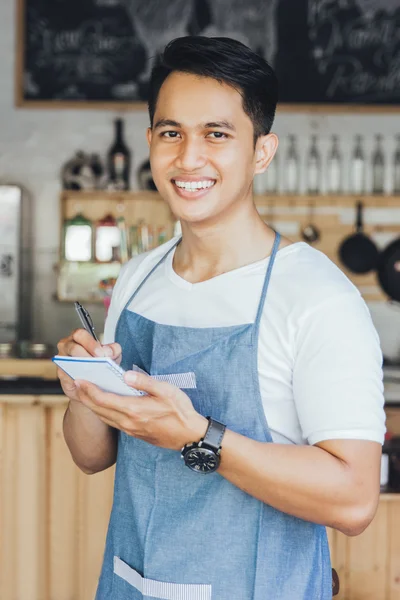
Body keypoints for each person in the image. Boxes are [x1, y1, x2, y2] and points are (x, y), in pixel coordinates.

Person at [57, 36, 386, 600]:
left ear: (261, 151)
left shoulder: (315, 296)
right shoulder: (138, 279)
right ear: (150, 144)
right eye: (171, 133)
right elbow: (92, 456)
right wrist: (86, 390)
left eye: (217, 134)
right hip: (130, 584)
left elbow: (354, 500)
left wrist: (199, 437)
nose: (188, 158)